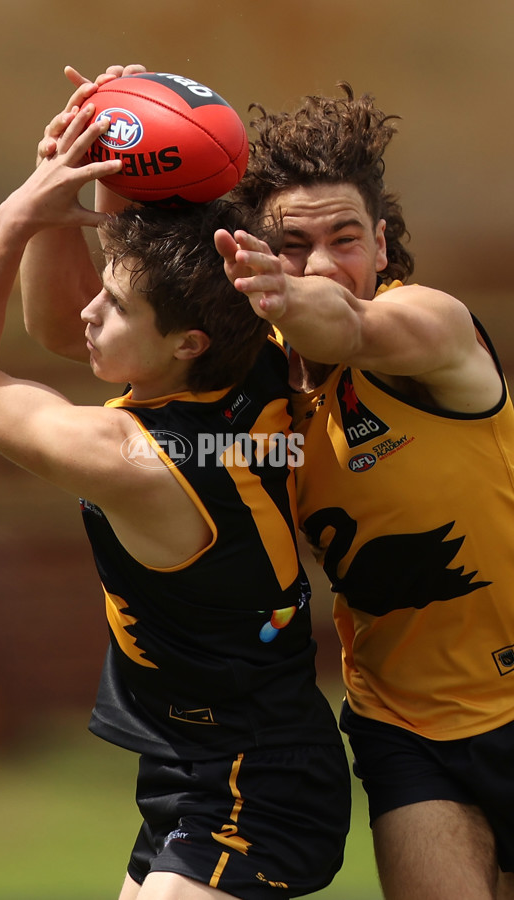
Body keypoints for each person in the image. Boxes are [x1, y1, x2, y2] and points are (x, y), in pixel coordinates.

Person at [0, 101, 351, 900]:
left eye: (115, 303)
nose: (93, 306)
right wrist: (108, 151)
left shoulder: (135, 460)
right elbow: (67, 320)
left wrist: (15, 215)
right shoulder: (248, 361)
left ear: (183, 344)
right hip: (214, 759)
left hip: (249, 783)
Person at [215, 84, 514, 900]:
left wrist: (279, 294)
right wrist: (67, 200)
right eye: (292, 244)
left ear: (382, 247)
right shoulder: (261, 388)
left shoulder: (433, 329)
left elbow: (349, 327)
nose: (320, 264)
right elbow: (82, 334)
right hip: (404, 725)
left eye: (344, 238)